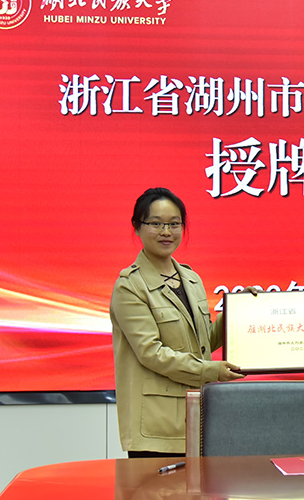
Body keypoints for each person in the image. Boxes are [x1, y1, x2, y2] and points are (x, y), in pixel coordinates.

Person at [110, 187, 244, 458]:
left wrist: (240, 310)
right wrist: (212, 371)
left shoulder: (191, 279)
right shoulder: (130, 286)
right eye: (156, 223)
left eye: (174, 224)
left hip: (198, 419)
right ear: (137, 227)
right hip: (156, 428)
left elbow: (203, 343)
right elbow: (151, 353)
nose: (166, 232)